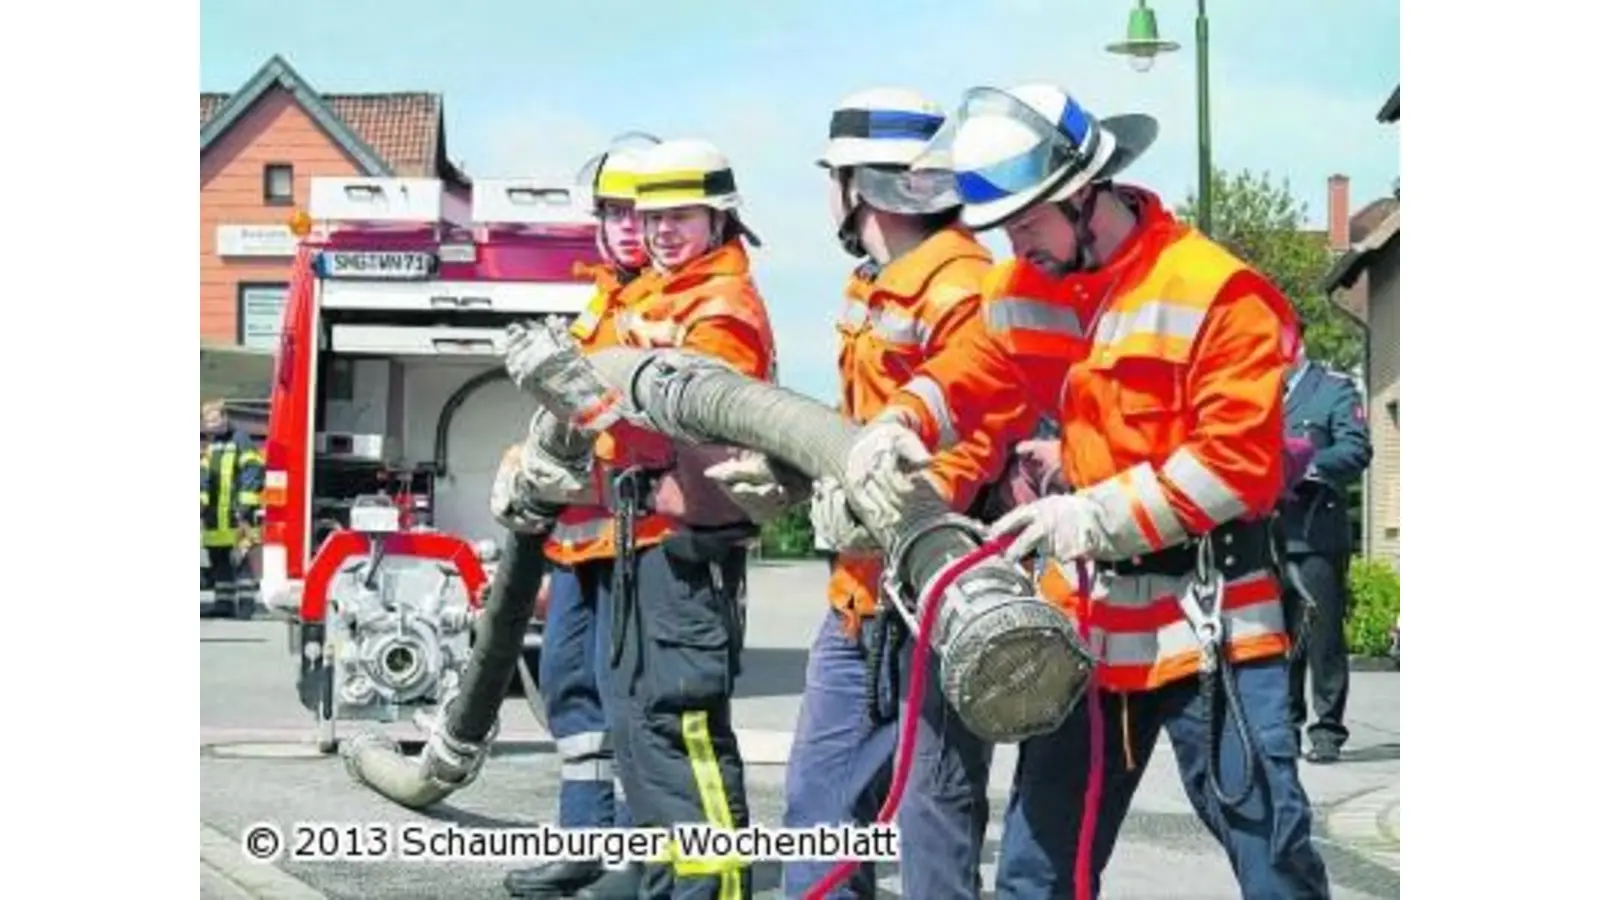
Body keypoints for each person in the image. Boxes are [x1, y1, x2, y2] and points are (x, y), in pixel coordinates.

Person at [840, 84, 1332, 898]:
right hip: (1089, 631)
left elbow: (1236, 461)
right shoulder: (1023, 289)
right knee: (1036, 873)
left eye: (1027, 221)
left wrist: (1093, 515)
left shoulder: (1215, 292)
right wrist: (901, 422)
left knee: (1270, 857)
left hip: (1209, 625)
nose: (1013, 242)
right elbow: (972, 378)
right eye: (1002, 224)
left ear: (1084, 193)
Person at [719, 86, 1035, 899]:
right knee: (820, 801)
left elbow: (979, 431)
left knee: (932, 815)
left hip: (932, 595)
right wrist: (795, 469)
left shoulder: (962, 285)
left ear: (859, 185)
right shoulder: (876, 282)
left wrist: (888, 504)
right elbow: (863, 425)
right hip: (859, 595)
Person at [511, 136, 783, 900]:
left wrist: (591, 409)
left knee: (682, 731)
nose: (658, 231)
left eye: (679, 217)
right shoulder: (652, 297)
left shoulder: (718, 306)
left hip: (681, 543)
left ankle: (712, 890)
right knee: (645, 734)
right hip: (640, 540)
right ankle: (664, 882)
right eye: (649, 216)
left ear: (719, 219)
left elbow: (695, 433)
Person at [502, 133, 661, 900]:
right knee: (572, 686)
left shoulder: (667, 305)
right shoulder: (604, 301)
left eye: (641, 212)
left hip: (642, 540)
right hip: (578, 540)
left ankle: (637, 856)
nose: (630, 226)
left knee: (629, 693)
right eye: (616, 212)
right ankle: (585, 840)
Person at [1279, 340, 1372, 764]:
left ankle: (1327, 730)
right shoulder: (1261, 392)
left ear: (1296, 345)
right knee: (1279, 637)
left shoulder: (1332, 389)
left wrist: (1308, 463)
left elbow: (1356, 449)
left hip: (1316, 531)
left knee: (1322, 637)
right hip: (1269, 532)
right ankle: (1285, 725)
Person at [200, 399, 264, 620]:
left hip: (238, 514)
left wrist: (246, 503)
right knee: (219, 560)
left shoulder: (241, 440)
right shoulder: (212, 445)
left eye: (215, 419)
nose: (212, 425)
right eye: (208, 421)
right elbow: (204, 476)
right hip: (216, 516)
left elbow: (253, 469)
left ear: (225, 417)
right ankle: (223, 603)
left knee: (243, 558)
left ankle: (247, 604)